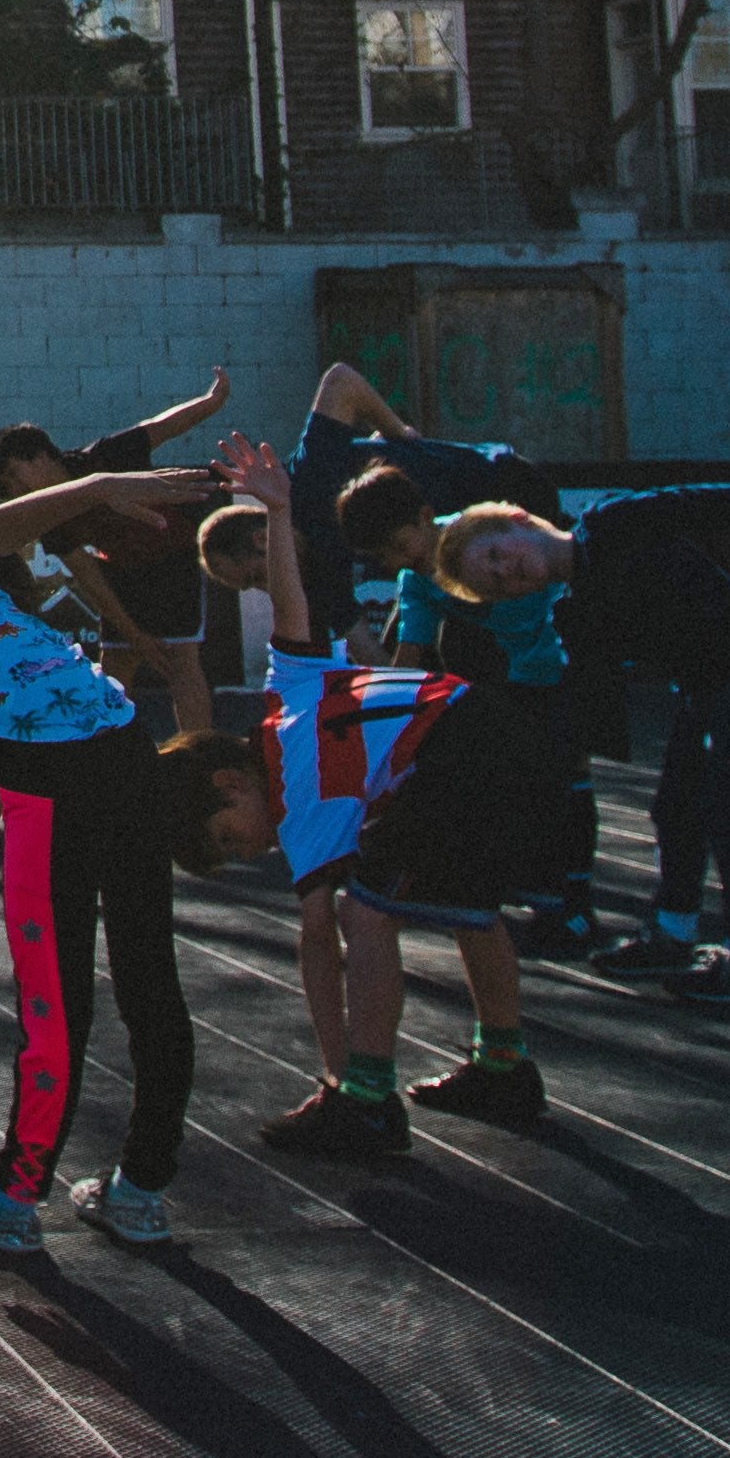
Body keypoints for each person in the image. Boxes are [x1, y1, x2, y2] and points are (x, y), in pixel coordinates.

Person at [0, 462, 271, 1259]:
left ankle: (14, 1198)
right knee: (146, 983)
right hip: (117, 753)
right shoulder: (13, 646)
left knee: (60, 1005)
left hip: (56, 781)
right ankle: (139, 1193)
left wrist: (100, 487)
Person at [399, 473, 730, 1008]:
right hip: (706, 687)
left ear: (517, 522)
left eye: (497, 555)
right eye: (496, 583)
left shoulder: (611, 524)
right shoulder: (574, 612)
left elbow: (704, 501)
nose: (506, 572)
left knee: (727, 807)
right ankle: (673, 933)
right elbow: (583, 695)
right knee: (675, 807)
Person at [232, 433, 567, 1140]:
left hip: (466, 737)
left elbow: (320, 941)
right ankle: (506, 1067)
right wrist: (279, 514)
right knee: (472, 905)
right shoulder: (287, 687)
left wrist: (332, 1075)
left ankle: (366, 1096)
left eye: (228, 837)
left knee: (367, 912)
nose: (246, 849)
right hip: (502, 730)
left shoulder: (301, 795)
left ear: (228, 785)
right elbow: (292, 607)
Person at [297, 359, 611, 958]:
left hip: (550, 650)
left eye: (398, 549)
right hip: (518, 662)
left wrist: (397, 432)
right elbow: (409, 653)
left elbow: (537, 588)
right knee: (511, 756)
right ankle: (539, 884)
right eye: (384, 557)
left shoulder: (478, 536)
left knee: (565, 770)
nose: (395, 563)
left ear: (421, 519)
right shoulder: (415, 571)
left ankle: (575, 900)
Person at [0, 367, 232, 736]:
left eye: (15, 477)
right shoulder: (50, 512)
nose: (16, 491)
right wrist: (134, 634)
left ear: (40, 457)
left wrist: (211, 402)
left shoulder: (108, 456)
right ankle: (103, 752)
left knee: (181, 664)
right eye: (7, 487)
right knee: (114, 667)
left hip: (173, 564)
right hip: (122, 576)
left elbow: (164, 425)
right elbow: (88, 576)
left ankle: (201, 753)